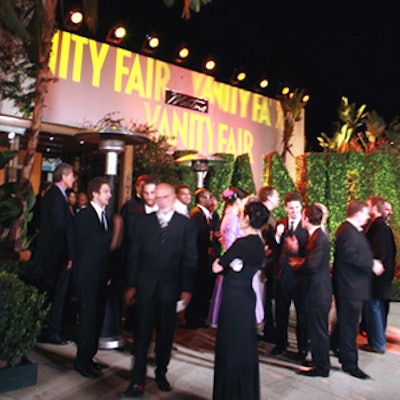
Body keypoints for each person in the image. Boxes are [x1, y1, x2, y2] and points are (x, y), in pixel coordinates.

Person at [121, 183, 197, 398]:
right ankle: (137, 382)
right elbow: (133, 255)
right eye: (157, 196)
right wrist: (132, 285)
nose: (160, 200)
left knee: (166, 334)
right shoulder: (143, 223)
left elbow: (190, 259)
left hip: (170, 289)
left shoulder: (186, 225)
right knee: (142, 335)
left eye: (165, 196)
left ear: (173, 198)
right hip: (145, 287)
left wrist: (186, 289)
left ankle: (161, 373)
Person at [212, 201, 270, 400]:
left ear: (246, 218)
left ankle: (228, 394)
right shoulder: (259, 244)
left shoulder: (241, 243)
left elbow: (217, 266)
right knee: (245, 344)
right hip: (247, 296)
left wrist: (224, 263)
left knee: (230, 345)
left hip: (234, 298)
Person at [332, 200, 384, 379]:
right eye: (366, 213)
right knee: (349, 326)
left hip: (353, 286)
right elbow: (349, 256)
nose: (368, 216)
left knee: (345, 323)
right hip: (349, 287)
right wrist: (371, 264)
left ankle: (334, 345)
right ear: (358, 213)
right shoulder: (347, 230)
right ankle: (349, 363)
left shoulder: (351, 230)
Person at [72, 177, 117, 378]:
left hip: (100, 277)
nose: (109, 195)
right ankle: (82, 361)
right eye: (106, 191)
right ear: (95, 194)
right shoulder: (84, 216)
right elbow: (91, 246)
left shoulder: (104, 216)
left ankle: (90, 357)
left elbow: (105, 252)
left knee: (97, 319)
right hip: (87, 277)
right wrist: (115, 235)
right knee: (87, 319)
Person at [290, 204, 332, 377]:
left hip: (317, 293)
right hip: (316, 291)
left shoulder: (319, 238)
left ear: (306, 218)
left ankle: (322, 367)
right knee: (315, 329)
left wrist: (297, 263)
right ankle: (317, 360)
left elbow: (312, 265)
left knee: (318, 331)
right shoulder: (315, 236)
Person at [35, 162, 75, 345]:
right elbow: (59, 229)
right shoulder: (56, 196)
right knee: (55, 295)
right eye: (72, 175)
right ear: (64, 176)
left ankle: (52, 329)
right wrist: (66, 256)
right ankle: (51, 332)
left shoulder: (56, 195)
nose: (74, 179)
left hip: (53, 255)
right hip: (55, 257)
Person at [271, 192, 309, 360]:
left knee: (302, 314)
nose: (294, 211)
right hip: (283, 275)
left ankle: (302, 348)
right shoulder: (281, 223)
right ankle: (281, 344)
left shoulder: (307, 225)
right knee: (281, 312)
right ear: (285, 208)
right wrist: (278, 236)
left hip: (300, 277)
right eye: (291, 208)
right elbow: (274, 249)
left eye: (297, 208)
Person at [208, 187, 251, 327]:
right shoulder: (232, 217)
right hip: (234, 262)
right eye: (244, 201)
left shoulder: (230, 215)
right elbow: (231, 243)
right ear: (238, 200)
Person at [362, 196, 396, 354]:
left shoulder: (379, 227)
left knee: (374, 307)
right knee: (377, 307)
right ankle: (377, 340)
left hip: (376, 277)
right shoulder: (380, 226)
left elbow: (379, 252)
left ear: (374, 208)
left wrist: (372, 263)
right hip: (381, 276)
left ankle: (377, 343)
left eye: (368, 205)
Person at [184, 188, 214, 328]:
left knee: (202, 287)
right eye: (208, 197)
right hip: (199, 255)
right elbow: (199, 235)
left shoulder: (203, 214)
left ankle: (198, 316)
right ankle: (192, 318)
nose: (210, 199)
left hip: (203, 256)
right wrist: (209, 241)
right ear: (201, 199)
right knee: (197, 287)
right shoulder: (197, 214)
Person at [258, 185, 280, 343]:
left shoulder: (267, 214)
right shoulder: (263, 215)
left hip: (269, 261)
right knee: (265, 297)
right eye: (276, 196)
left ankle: (269, 328)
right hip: (265, 262)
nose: (278, 199)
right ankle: (266, 329)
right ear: (269, 197)